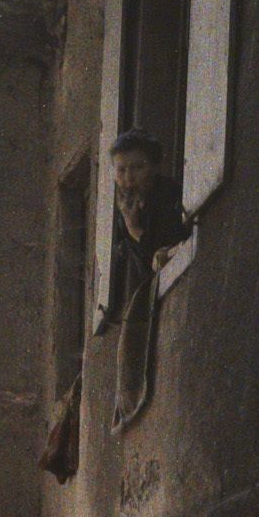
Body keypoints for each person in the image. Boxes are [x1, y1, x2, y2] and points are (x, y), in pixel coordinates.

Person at [106, 128, 193, 430]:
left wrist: (137, 233)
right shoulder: (118, 208)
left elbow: (162, 253)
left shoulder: (168, 194)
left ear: (153, 167)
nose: (129, 177)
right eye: (121, 169)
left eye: (137, 167)